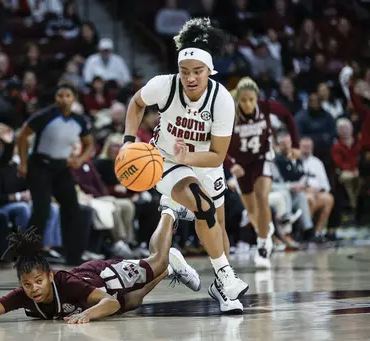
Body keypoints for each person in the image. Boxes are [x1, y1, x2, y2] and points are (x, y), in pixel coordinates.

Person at [122, 17, 247, 314]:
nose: (190, 77)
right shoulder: (164, 86)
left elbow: (217, 155)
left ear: (209, 71)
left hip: (204, 161)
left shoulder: (222, 101)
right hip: (164, 159)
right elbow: (136, 103)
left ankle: (221, 287)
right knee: (202, 204)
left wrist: (189, 156)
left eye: (198, 72)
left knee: (217, 229)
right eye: (185, 71)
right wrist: (128, 140)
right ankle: (227, 275)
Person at [0, 206, 201, 326]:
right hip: (95, 295)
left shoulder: (67, 283)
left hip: (101, 276)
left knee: (155, 261)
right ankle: (171, 267)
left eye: (39, 281)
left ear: (51, 276)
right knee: (133, 302)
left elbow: (110, 301)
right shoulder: (25, 294)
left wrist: (86, 315)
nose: (33, 288)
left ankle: (168, 211)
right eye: (27, 284)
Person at [224, 77, 300, 268]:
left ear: (257, 98)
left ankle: (262, 247)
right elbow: (219, 145)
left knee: (262, 197)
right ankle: (265, 232)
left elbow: (288, 117)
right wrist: (232, 165)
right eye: (244, 100)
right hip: (241, 165)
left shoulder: (266, 106)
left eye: (251, 99)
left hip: (262, 159)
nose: (248, 104)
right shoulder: (230, 114)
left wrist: (296, 145)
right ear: (238, 100)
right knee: (250, 210)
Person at [16, 84, 95, 265]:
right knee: (42, 210)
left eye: (68, 95)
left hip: (61, 167)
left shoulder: (80, 120)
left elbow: (89, 143)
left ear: (73, 99)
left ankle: (73, 255)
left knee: (72, 209)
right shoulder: (45, 116)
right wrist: (22, 162)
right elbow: (22, 136)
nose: (64, 99)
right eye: (60, 95)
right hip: (39, 165)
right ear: (56, 98)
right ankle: (27, 255)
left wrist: (80, 159)